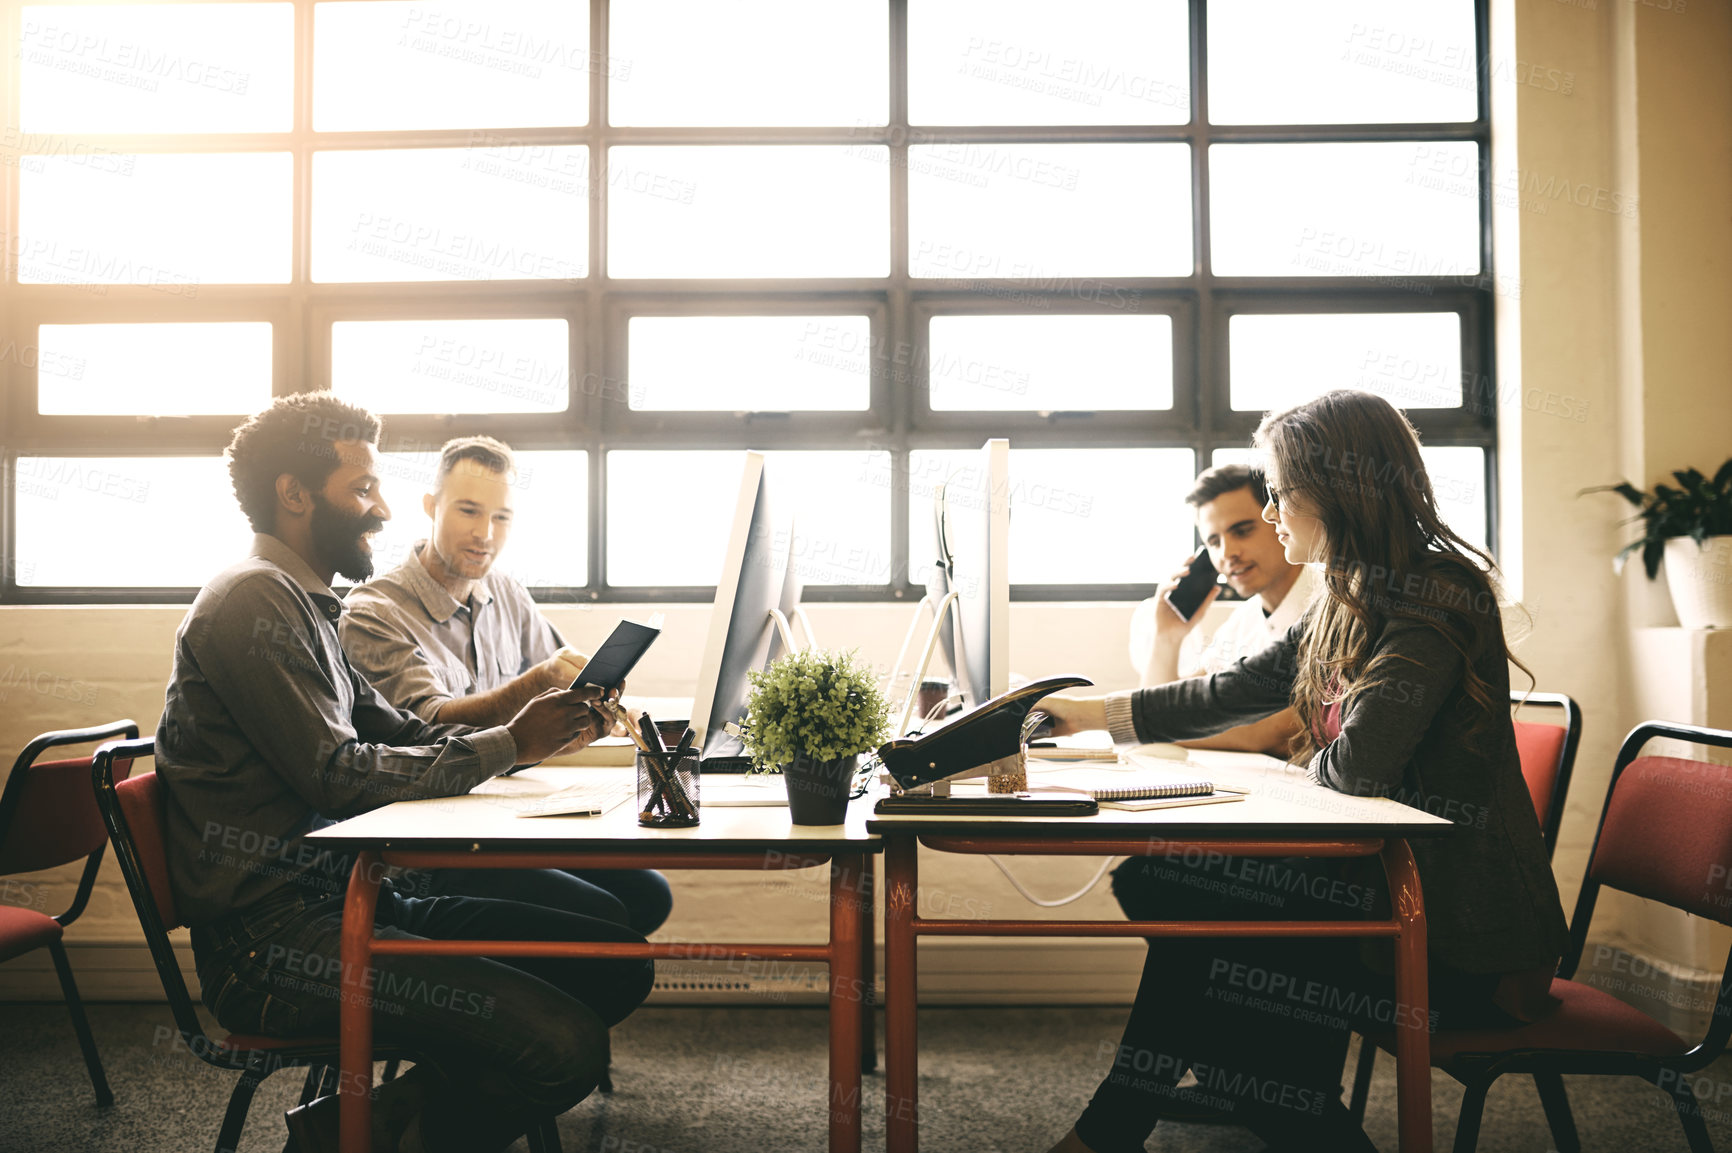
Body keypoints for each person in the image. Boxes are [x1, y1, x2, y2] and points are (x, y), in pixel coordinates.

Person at [1038, 390, 1569, 1153]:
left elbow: (1357, 764)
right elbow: (1232, 691)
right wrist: (1083, 711)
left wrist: (1301, 758)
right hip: (1382, 894)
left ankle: (1121, 1130)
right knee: (1175, 895)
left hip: (1462, 942)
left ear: (1338, 490)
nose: (1275, 506)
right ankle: (1149, 1127)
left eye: (1280, 491)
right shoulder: (1350, 593)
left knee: (1187, 911)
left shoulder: (1439, 593)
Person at [155, 393, 654, 1153]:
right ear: (294, 494)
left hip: (356, 897)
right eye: (362, 489)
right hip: (274, 945)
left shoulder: (312, 605)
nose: (384, 511)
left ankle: (360, 1128)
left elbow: (411, 734)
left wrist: (527, 740)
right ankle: (361, 1136)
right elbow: (338, 774)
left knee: (618, 964)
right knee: (565, 1047)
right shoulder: (251, 601)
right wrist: (509, 743)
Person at [340, 436, 672, 936]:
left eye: (501, 518)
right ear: (431, 507)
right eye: (468, 511)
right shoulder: (372, 613)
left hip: (503, 820)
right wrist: (537, 683)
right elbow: (429, 727)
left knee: (648, 895)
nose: (484, 534)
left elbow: (555, 701)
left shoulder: (505, 592)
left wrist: (584, 718)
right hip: (428, 848)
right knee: (604, 917)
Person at [1127, 464, 1316, 754]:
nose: (1227, 553)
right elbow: (1161, 704)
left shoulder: (1328, 605)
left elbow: (1279, 731)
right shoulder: (1243, 621)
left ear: (1278, 519)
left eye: (1241, 531)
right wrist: (1168, 636)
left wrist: (1157, 727)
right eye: (1214, 542)